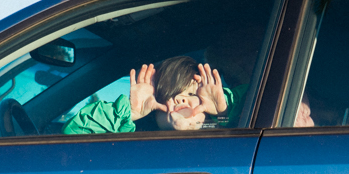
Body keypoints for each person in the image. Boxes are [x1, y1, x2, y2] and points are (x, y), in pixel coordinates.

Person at [63, 55, 228, 134]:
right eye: (172, 91)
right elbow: (72, 134)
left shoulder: (227, 132)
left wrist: (224, 113)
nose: (181, 97)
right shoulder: (132, 136)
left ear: (207, 112)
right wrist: (129, 112)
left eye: (192, 93)